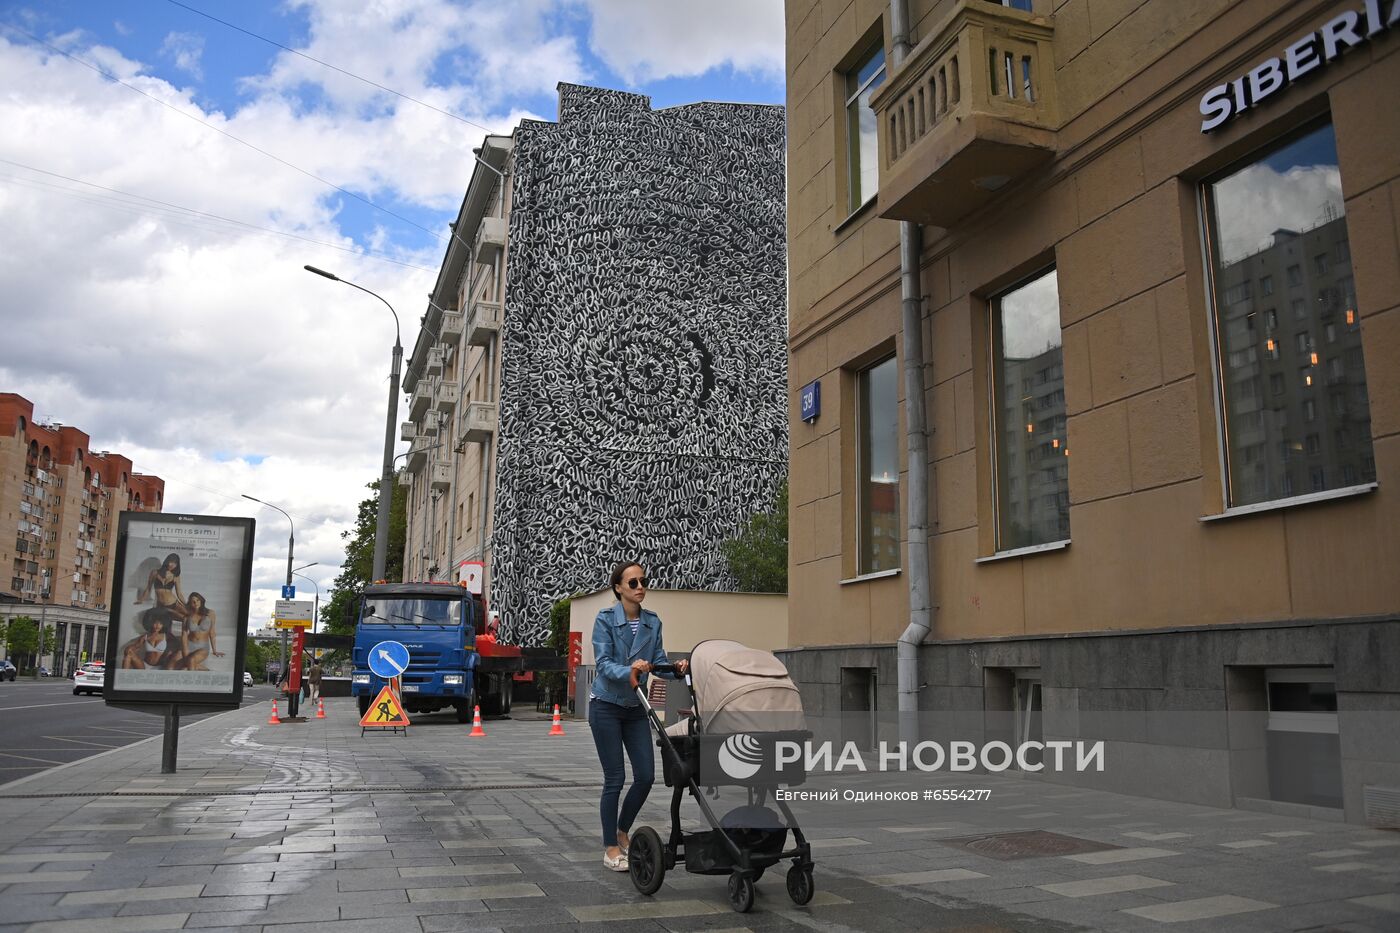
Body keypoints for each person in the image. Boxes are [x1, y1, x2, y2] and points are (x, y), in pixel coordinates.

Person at [588, 560, 688, 872]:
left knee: (645, 776)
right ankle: (610, 847)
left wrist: (675, 668)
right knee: (614, 778)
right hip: (605, 705)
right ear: (618, 588)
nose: (640, 587)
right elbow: (603, 664)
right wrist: (631, 669)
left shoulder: (652, 622)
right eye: (633, 583)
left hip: (634, 708)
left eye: (644, 581)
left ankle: (622, 829)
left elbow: (657, 661)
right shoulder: (605, 619)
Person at [175, 593, 221, 670]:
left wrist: (214, 650)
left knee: (191, 660)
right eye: (193, 601)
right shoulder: (187, 617)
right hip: (189, 645)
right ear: (190, 603)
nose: (196, 603)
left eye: (197, 600)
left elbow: (212, 632)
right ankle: (205, 669)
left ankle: (191, 680)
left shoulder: (210, 613)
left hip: (202, 647)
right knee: (172, 666)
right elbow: (184, 635)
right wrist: (185, 652)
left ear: (201, 600)